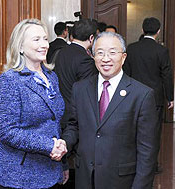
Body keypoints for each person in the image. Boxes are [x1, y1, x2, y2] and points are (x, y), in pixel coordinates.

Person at [61, 32, 159, 188]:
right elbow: (74, 126)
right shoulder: (80, 89)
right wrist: (64, 143)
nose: (106, 59)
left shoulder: (142, 95)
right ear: (92, 56)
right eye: (100, 53)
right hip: (85, 178)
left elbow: (147, 151)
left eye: (113, 52)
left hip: (121, 181)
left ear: (124, 56)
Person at [0, 18, 68, 189]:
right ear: (20, 46)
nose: (44, 44)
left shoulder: (51, 77)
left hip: (51, 171)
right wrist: (49, 145)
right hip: (18, 176)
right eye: (36, 39)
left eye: (45, 38)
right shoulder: (10, 80)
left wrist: (63, 163)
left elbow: (55, 123)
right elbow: (8, 132)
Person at [123, 17, 174, 173]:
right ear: (158, 32)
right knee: (153, 131)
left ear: (142, 30)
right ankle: (151, 165)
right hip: (155, 98)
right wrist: (170, 97)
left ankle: (133, 162)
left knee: (133, 130)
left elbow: (126, 73)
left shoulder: (131, 49)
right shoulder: (161, 50)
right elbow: (167, 75)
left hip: (133, 96)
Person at [54, 18, 98, 130]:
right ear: (91, 38)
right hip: (76, 116)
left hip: (60, 111)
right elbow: (87, 93)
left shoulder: (61, 52)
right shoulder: (85, 60)